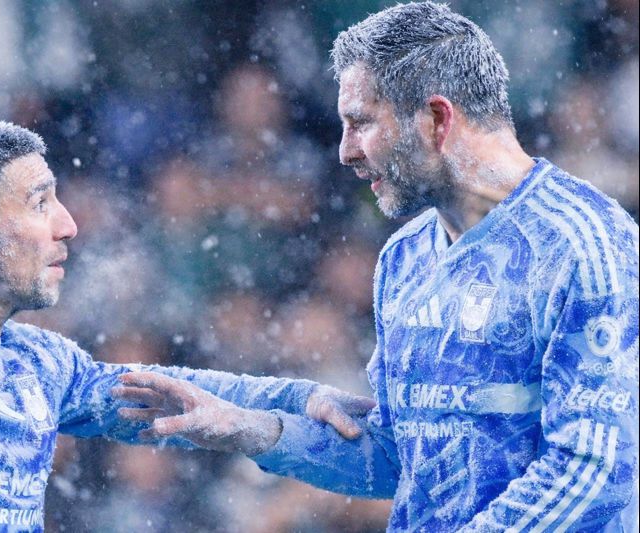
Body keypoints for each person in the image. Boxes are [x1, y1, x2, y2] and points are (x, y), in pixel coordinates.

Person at [116, 3, 640, 531]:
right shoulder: (404, 258)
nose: (344, 152)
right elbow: (398, 459)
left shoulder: (584, 244)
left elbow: (593, 472)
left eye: (360, 123)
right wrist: (252, 428)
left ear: (437, 119)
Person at [0, 119, 373, 531]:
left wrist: (299, 400)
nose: (68, 225)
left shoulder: (42, 366)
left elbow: (179, 391)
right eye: (40, 202)